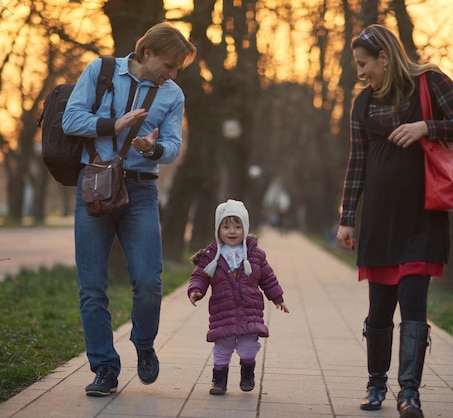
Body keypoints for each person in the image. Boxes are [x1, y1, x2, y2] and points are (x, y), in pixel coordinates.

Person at [336, 24, 453, 418]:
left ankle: (409, 394)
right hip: (379, 219)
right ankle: (376, 385)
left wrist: (426, 127)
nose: (360, 72)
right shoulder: (362, 104)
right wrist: (347, 218)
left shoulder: (431, 83)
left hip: (422, 216)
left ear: (384, 57)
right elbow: (357, 162)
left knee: (414, 304)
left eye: (364, 64)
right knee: (380, 308)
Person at [62, 22, 196, 397]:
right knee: (91, 286)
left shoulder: (172, 95)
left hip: (140, 191)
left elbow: (172, 146)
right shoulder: (101, 71)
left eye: (177, 70)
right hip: (96, 185)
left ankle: (143, 343)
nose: (172, 75)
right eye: (169, 66)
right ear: (147, 53)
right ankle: (104, 368)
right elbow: (70, 119)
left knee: (149, 280)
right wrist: (113, 125)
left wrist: (152, 149)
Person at [187, 199, 289, 395]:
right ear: (218, 230)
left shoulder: (255, 255)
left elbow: (268, 278)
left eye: (237, 226)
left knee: (249, 347)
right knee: (222, 349)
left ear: (246, 228)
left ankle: (247, 374)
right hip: (222, 311)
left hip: (249, 311)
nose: (231, 231)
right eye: (226, 226)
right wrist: (196, 290)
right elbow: (200, 275)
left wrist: (278, 298)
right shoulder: (211, 256)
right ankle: (219, 381)